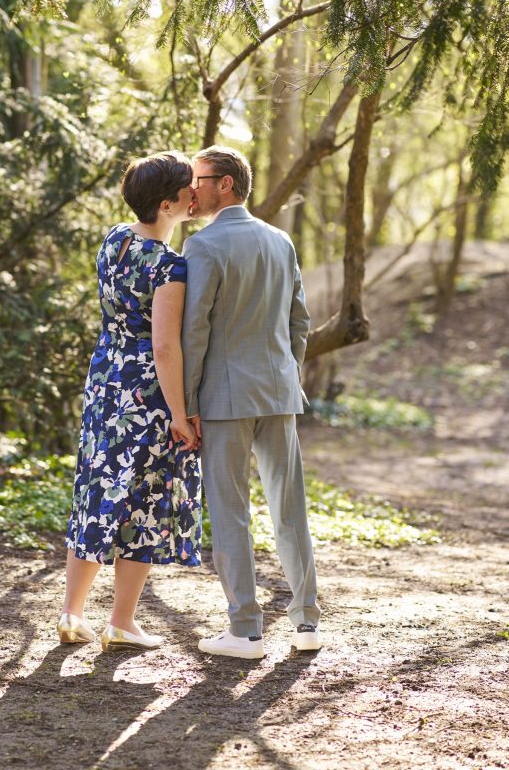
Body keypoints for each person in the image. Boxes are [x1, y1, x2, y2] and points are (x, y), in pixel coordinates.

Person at [182, 145, 320, 659]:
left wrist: (188, 400)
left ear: (226, 184)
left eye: (198, 178)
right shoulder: (279, 240)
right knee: (290, 509)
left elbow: (195, 330)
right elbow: (299, 321)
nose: (191, 187)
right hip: (279, 393)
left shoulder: (203, 246)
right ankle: (306, 624)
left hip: (223, 399)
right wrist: (286, 372)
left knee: (231, 511)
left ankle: (245, 631)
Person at [60, 151, 202, 653]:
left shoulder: (115, 239)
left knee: (97, 490)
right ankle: (121, 621)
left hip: (105, 382)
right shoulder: (169, 266)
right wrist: (181, 415)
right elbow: (164, 347)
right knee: (141, 502)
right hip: (145, 392)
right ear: (168, 204)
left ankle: (72, 614)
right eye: (189, 189)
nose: (196, 194)